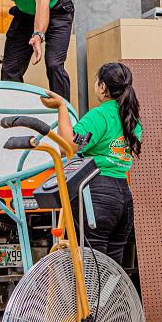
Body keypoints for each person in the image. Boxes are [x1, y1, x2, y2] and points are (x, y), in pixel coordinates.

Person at [41, 62, 141, 266]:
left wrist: (61, 107)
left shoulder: (100, 115)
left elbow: (68, 147)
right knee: (112, 270)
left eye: (97, 81)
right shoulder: (131, 118)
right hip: (124, 197)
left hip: (97, 194)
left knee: (90, 268)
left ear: (103, 87)